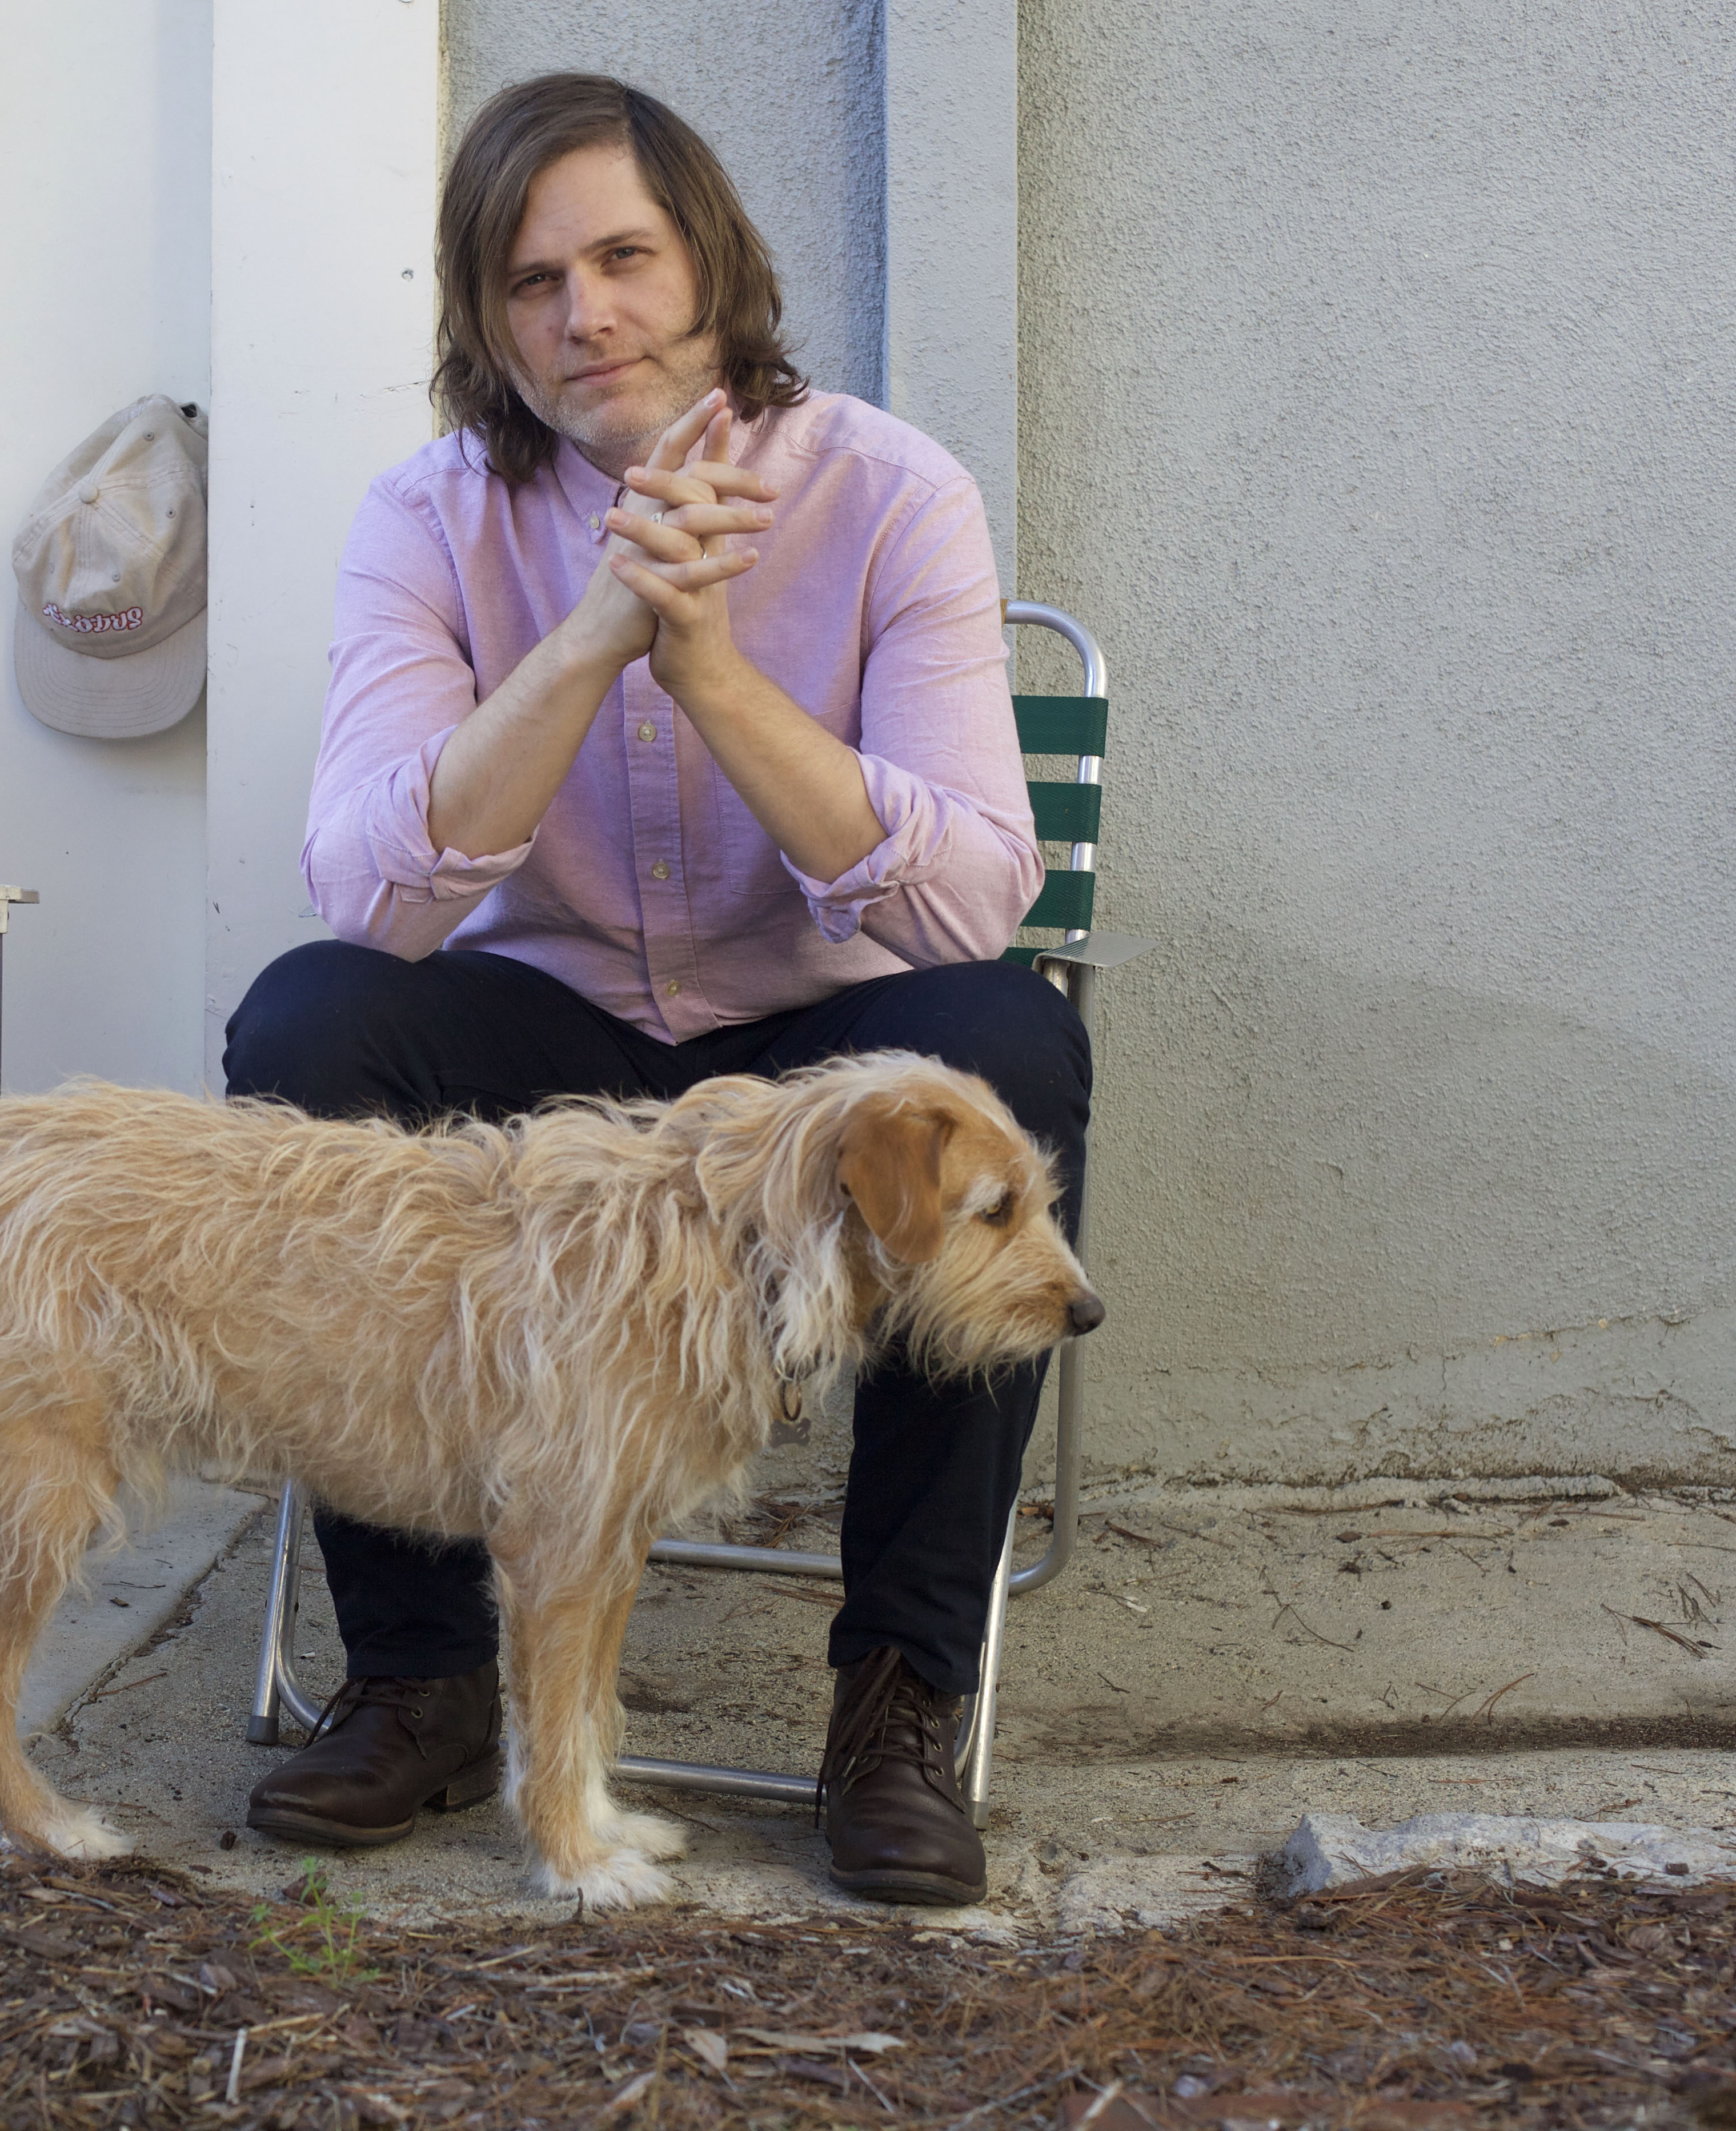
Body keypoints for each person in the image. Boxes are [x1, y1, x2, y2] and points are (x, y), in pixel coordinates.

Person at [222, 72, 1088, 1908]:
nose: (586, 313)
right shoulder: (428, 519)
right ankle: (424, 1673)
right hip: (550, 1043)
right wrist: (592, 637)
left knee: (1007, 1041)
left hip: (815, 1037)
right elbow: (363, 890)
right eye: (532, 282)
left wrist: (707, 672)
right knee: (307, 1030)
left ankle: (900, 1700)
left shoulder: (890, 494)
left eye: (624, 258)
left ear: (710, 264)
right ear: (485, 317)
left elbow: (973, 898)